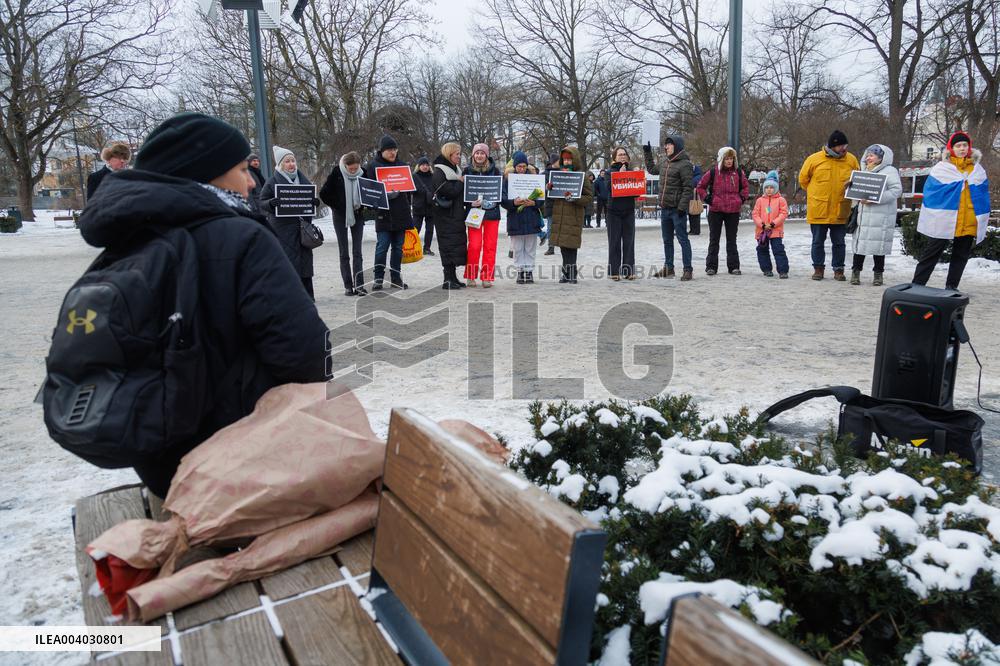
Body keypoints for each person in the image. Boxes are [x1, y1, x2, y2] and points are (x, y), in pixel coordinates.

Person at [75, 112, 328, 496]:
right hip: (241, 456)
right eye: (242, 170)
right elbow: (304, 351)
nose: (249, 182)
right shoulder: (242, 236)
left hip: (161, 462)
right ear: (209, 173)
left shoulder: (127, 239)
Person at [912, 131, 991, 290]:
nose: (962, 148)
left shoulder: (977, 170)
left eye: (965, 145)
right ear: (952, 148)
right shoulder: (942, 169)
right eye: (958, 146)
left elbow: (982, 194)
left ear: (969, 148)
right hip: (945, 218)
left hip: (968, 219)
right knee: (932, 252)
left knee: (960, 256)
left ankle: (952, 286)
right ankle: (917, 284)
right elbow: (931, 192)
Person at [260, 145, 321, 299]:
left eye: (293, 160)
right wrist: (271, 204)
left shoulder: (303, 179)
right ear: (281, 164)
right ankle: (291, 295)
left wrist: (314, 202)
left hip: (302, 228)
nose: (291, 164)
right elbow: (262, 202)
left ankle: (308, 294)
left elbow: (310, 197)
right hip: (283, 229)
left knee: (305, 262)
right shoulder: (273, 181)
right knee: (289, 261)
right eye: (287, 161)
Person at [798, 130, 860, 281]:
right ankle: (818, 269)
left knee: (839, 243)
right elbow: (803, 180)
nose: (844, 149)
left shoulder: (851, 160)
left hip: (840, 209)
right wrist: (817, 193)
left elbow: (858, 178)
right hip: (819, 209)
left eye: (846, 145)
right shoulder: (814, 159)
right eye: (841, 146)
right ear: (833, 146)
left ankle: (838, 269)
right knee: (817, 242)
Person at [364, 134, 413, 290]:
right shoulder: (373, 166)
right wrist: (384, 196)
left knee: (398, 248)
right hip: (383, 214)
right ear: (382, 151)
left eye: (394, 149)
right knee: (382, 247)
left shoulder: (402, 165)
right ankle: (378, 278)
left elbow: (410, 188)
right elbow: (369, 191)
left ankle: (395, 277)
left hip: (401, 213)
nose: (393, 153)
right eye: (389, 150)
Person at [643, 135, 695, 280]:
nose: (666, 147)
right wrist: (647, 152)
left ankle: (688, 269)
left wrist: (681, 207)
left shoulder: (685, 164)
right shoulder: (665, 162)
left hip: (677, 210)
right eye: (665, 145)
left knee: (682, 239)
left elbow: (688, 188)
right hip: (665, 208)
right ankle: (669, 268)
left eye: (669, 145)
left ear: (676, 146)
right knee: (667, 240)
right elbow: (652, 169)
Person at [850, 145, 902, 286]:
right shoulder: (863, 170)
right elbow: (858, 190)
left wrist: (875, 198)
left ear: (881, 157)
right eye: (867, 155)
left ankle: (878, 274)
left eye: (872, 155)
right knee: (859, 245)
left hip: (881, 216)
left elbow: (896, 190)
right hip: (864, 214)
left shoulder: (890, 171)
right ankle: (855, 272)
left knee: (879, 247)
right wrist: (850, 188)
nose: (868, 158)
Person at [319, 151, 368, 296]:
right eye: (350, 168)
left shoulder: (364, 173)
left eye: (355, 168)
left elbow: (369, 191)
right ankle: (348, 285)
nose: (353, 171)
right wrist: (338, 205)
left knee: (357, 251)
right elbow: (324, 194)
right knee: (344, 251)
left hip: (358, 214)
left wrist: (365, 204)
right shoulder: (336, 172)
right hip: (340, 215)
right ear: (345, 165)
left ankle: (360, 285)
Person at [697, 146, 749, 276]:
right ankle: (711, 267)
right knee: (714, 239)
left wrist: (741, 199)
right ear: (721, 159)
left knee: (732, 240)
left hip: (733, 210)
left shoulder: (738, 172)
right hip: (716, 210)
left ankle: (734, 267)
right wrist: (708, 199)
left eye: (731, 158)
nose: (729, 161)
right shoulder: (713, 172)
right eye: (727, 158)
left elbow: (745, 187)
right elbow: (700, 187)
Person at [548, 146, 594, 284]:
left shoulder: (582, 176)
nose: (567, 162)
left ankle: (572, 273)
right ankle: (566, 273)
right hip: (560, 215)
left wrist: (575, 198)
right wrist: (549, 188)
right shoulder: (558, 174)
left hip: (574, 215)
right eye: (565, 159)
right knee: (563, 246)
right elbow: (552, 195)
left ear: (575, 159)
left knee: (571, 246)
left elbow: (588, 197)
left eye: (569, 159)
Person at [501, 151, 544, 284]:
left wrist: (534, 203)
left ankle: (529, 271)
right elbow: (502, 199)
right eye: (519, 166)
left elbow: (542, 198)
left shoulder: (534, 179)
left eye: (524, 166)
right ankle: (520, 271)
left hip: (531, 217)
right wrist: (513, 203)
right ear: (514, 166)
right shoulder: (508, 180)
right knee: (518, 248)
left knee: (530, 247)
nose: (521, 169)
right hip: (516, 218)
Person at [463, 143, 501, 287]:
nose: (479, 156)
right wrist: (469, 203)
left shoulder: (495, 171)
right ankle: (471, 276)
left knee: (490, 246)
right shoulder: (466, 171)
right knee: (474, 245)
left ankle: (487, 277)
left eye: (482, 153)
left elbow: (500, 194)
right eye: (477, 153)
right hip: (474, 214)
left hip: (492, 214)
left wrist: (491, 203)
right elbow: (462, 195)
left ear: (487, 155)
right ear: (473, 155)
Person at [432, 142, 468, 289]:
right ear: (449, 154)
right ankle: (447, 279)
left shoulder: (456, 169)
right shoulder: (440, 171)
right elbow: (447, 191)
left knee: (455, 246)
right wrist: (460, 183)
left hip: (455, 214)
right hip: (445, 216)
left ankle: (453, 277)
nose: (459, 157)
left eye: (459, 154)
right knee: (447, 246)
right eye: (457, 154)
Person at [606, 146, 638, 280]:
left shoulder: (631, 171)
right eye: (620, 155)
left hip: (629, 210)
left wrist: (640, 181)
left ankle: (629, 270)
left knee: (629, 242)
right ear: (614, 158)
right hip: (614, 211)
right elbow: (608, 188)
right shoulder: (609, 172)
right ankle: (614, 271)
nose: (623, 156)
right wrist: (620, 174)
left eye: (624, 154)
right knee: (614, 242)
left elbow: (636, 192)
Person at [752, 171, 790, 278]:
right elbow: (755, 214)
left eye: (772, 187)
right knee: (762, 250)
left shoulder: (781, 200)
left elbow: (783, 213)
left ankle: (783, 270)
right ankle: (766, 269)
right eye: (767, 187)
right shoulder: (760, 200)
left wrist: (773, 224)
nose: (769, 189)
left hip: (775, 231)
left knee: (778, 250)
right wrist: (762, 225)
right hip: (762, 231)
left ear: (776, 188)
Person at [412, 156, 436, 255]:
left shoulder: (433, 176)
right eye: (423, 165)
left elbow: (436, 188)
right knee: (416, 228)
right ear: (419, 166)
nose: (425, 167)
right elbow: (412, 190)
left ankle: (427, 248)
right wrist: (421, 190)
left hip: (431, 206)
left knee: (429, 229)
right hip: (419, 206)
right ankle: (413, 248)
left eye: (427, 165)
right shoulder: (414, 176)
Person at [542, 152, 560, 255]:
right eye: (558, 161)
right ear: (554, 162)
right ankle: (551, 246)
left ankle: (563, 245)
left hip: (561, 203)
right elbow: (541, 188)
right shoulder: (545, 174)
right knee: (550, 226)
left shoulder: (563, 172)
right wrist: (546, 187)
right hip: (550, 203)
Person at [688, 162, 703, 235]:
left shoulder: (697, 177)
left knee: (694, 214)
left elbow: (693, 184)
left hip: (694, 198)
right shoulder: (697, 176)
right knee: (693, 214)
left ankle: (695, 230)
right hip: (694, 197)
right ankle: (693, 230)